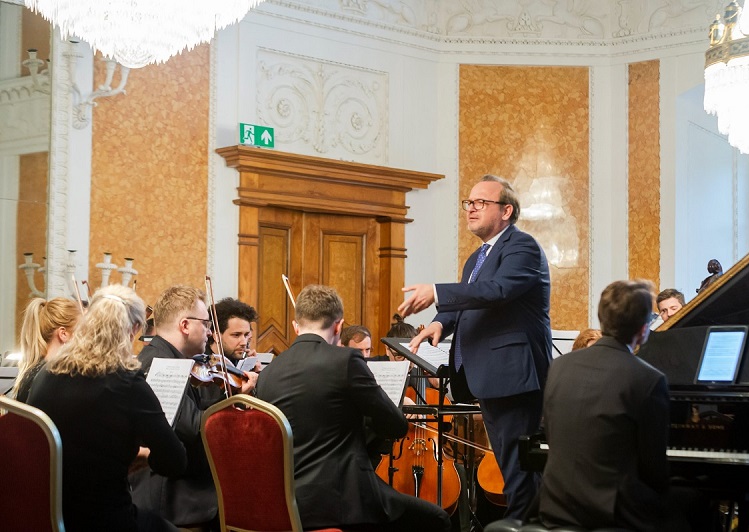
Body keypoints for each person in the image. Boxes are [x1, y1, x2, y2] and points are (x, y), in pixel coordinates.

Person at [400, 174, 552, 520]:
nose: (470, 209)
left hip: (514, 377)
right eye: (468, 202)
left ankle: (525, 527)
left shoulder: (521, 247)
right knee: (511, 468)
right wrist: (440, 322)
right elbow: (469, 304)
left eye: (481, 202)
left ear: (507, 210)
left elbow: (497, 291)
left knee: (519, 472)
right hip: (488, 376)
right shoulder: (476, 258)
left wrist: (437, 292)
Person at [255, 284, 451, 531]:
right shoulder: (345, 361)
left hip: (286, 501)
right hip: (343, 499)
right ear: (339, 326)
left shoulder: (268, 373)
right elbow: (395, 425)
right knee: (437, 519)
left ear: (296, 326)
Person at [531, 279, 707, 531]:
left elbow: (550, 432)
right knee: (695, 500)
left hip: (555, 503)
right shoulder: (648, 378)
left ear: (602, 318)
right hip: (612, 511)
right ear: (644, 329)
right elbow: (653, 471)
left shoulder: (560, 366)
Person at [27, 284, 187, 532]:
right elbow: (174, 461)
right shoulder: (127, 383)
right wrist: (144, 456)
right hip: (106, 520)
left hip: (49, 517)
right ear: (134, 329)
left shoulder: (46, 373)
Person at [130, 285, 257, 530]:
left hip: (180, 491)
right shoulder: (162, 363)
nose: (210, 333)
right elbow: (193, 429)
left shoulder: (170, 358)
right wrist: (234, 400)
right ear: (185, 325)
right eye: (207, 324)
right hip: (176, 497)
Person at [12, 297, 82, 402]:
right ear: (63, 334)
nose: (86, 339)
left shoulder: (34, 370)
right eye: (82, 331)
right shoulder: (55, 377)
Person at [206, 297, 258, 367]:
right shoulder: (202, 363)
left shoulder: (239, 360)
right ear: (216, 336)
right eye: (236, 335)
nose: (244, 343)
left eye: (246, 335)